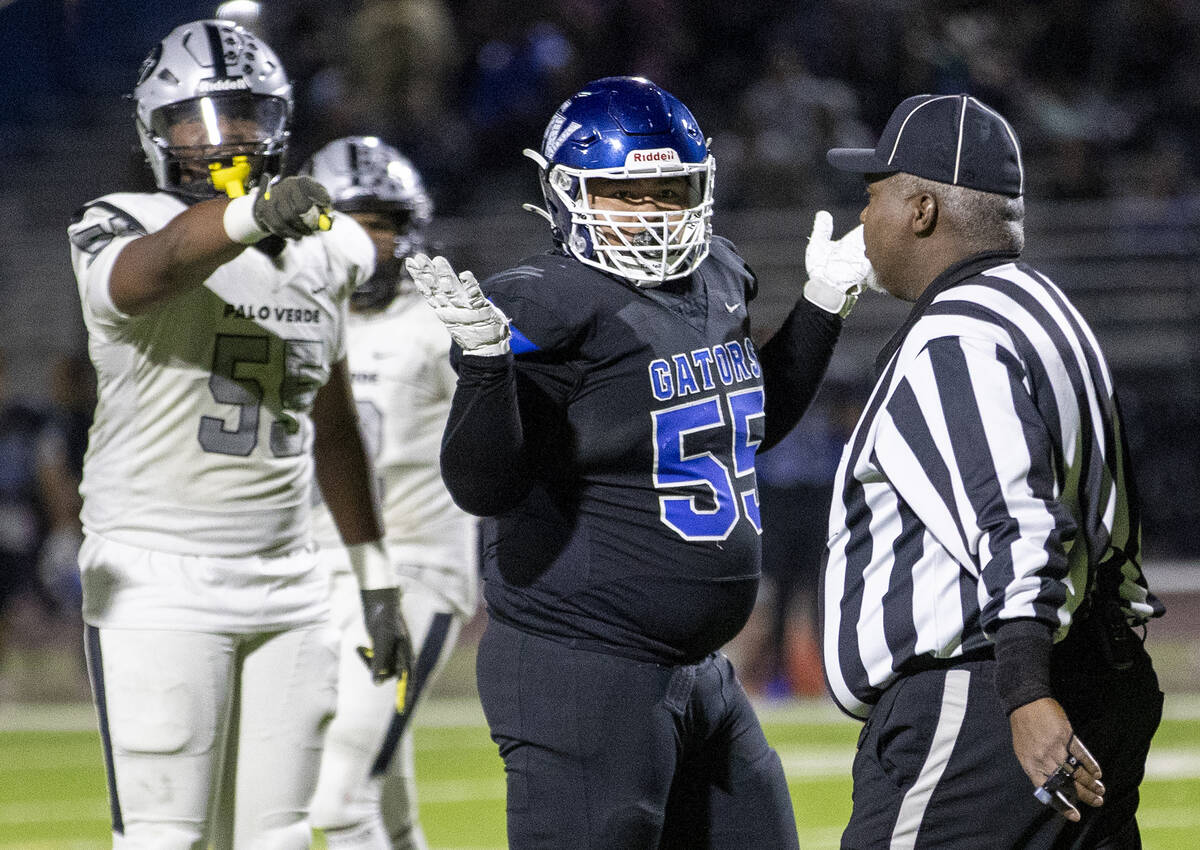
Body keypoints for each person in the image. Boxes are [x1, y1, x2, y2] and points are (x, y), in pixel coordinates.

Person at [405, 75, 875, 848]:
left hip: (697, 671)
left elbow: (745, 427)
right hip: (581, 667)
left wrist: (822, 303)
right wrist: (488, 368)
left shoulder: (715, 277)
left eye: (670, 188)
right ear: (568, 194)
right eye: (628, 194)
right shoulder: (545, 302)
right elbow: (482, 485)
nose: (654, 211)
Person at [66, 21, 412, 849]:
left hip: (291, 581)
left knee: (280, 838)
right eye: (196, 118)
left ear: (281, 123)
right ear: (155, 130)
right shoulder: (123, 220)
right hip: (159, 577)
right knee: (166, 837)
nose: (224, 138)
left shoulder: (323, 251)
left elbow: (331, 427)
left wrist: (374, 576)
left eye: (246, 115)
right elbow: (155, 272)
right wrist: (251, 214)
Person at [820, 93, 1165, 848]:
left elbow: (1019, 520)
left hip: (982, 703)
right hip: (1098, 663)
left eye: (873, 196)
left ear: (921, 210)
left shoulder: (956, 334)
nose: (862, 220)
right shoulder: (1046, 306)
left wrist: (1026, 691)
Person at [299, 137, 479, 850]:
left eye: (386, 223)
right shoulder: (290, 309)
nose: (372, 243)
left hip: (413, 571)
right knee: (384, 790)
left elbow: (510, 431)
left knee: (340, 798)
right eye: (354, 220)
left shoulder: (438, 318)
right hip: (310, 572)